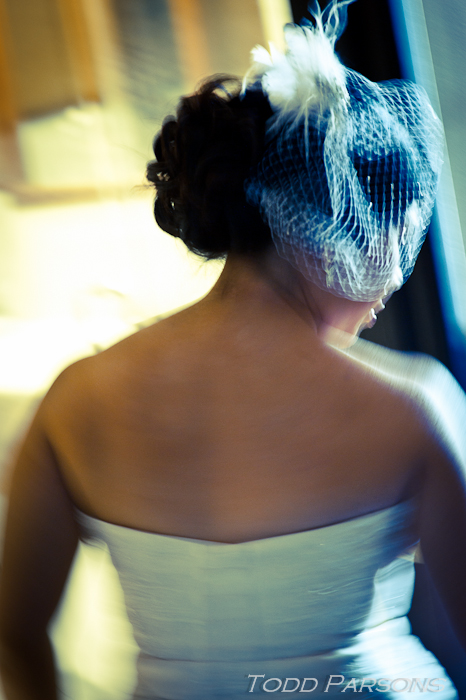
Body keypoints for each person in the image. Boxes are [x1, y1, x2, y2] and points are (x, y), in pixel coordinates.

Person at [0, 1, 464, 698]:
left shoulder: (76, 398)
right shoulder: (413, 406)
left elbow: (15, 632)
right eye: (386, 241)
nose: (387, 288)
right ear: (327, 229)